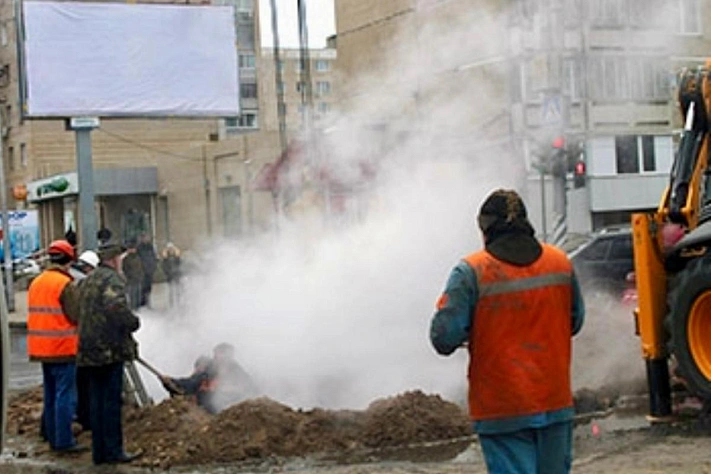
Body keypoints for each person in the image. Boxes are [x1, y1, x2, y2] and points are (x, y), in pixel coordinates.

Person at [429, 189, 585, 474]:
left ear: (485, 230)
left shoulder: (471, 272)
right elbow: (575, 321)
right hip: (554, 400)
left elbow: (443, 337)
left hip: (503, 407)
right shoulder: (560, 263)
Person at [77, 242, 142, 465]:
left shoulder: (88, 280)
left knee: (96, 401)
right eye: (121, 259)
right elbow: (115, 306)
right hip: (109, 350)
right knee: (111, 402)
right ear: (114, 259)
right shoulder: (112, 279)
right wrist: (132, 323)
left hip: (87, 350)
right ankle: (114, 451)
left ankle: (99, 452)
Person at [27, 239, 86, 453]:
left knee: (51, 396)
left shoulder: (37, 281)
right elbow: (75, 314)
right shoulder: (64, 283)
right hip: (62, 348)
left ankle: (53, 437)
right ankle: (64, 441)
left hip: (42, 349)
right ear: (69, 259)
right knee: (65, 397)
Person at [160, 342, 258, 414]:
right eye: (218, 354)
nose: (220, 358)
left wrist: (232, 390)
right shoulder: (209, 372)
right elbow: (191, 383)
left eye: (224, 354)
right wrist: (171, 381)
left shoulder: (238, 373)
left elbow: (251, 390)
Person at [65, 249, 100, 432]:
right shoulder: (82, 283)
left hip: (70, 343)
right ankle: (85, 420)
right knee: (82, 386)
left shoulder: (71, 279)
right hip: (77, 342)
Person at [121, 240, 144, 310]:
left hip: (138, 279)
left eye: (133, 249)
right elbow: (124, 269)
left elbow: (141, 267)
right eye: (131, 249)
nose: (132, 250)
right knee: (132, 295)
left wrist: (141, 275)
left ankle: (138, 308)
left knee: (138, 296)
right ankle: (133, 309)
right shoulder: (126, 259)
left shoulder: (138, 257)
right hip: (131, 280)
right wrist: (128, 277)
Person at [136, 233, 157, 308]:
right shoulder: (139, 248)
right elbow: (138, 259)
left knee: (148, 288)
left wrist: (153, 267)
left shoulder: (150, 247)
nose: (147, 239)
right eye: (145, 237)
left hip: (149, 270)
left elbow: (153, 257)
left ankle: (147, 303)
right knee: (142, 288)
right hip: (143, 271)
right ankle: (142, 303)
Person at [161, 242, 182, 308]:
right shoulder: (166, 259)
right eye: (169, 249)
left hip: (177, 276)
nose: (171, 251)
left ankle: (179, 303)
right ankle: (172, 304)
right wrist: (168, 274)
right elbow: (164, 267)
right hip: (170, 277)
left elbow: (180, 265)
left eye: (172, 249)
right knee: (171, 291)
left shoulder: (177, 258)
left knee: (178, 291)